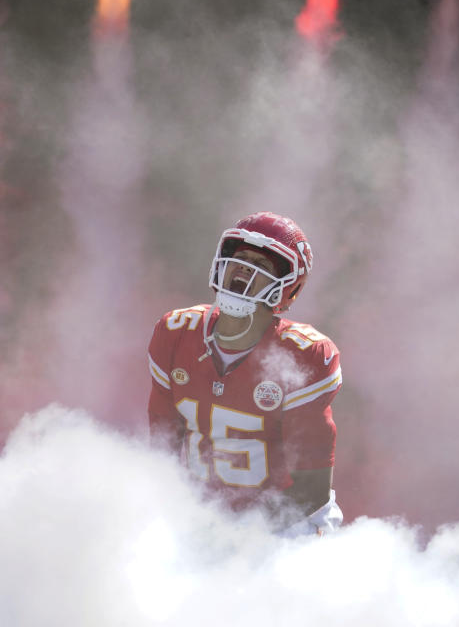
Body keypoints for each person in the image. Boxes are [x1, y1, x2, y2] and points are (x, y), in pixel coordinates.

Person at [147, 211, 343, 536]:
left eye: (261, 266)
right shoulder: (176, 332)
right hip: (207, 517)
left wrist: (236, 537)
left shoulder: (305, 355)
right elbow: (162, 448)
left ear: (287, 287)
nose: (244, 269)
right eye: (240, 258)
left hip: (289, 523)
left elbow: (312, 490)